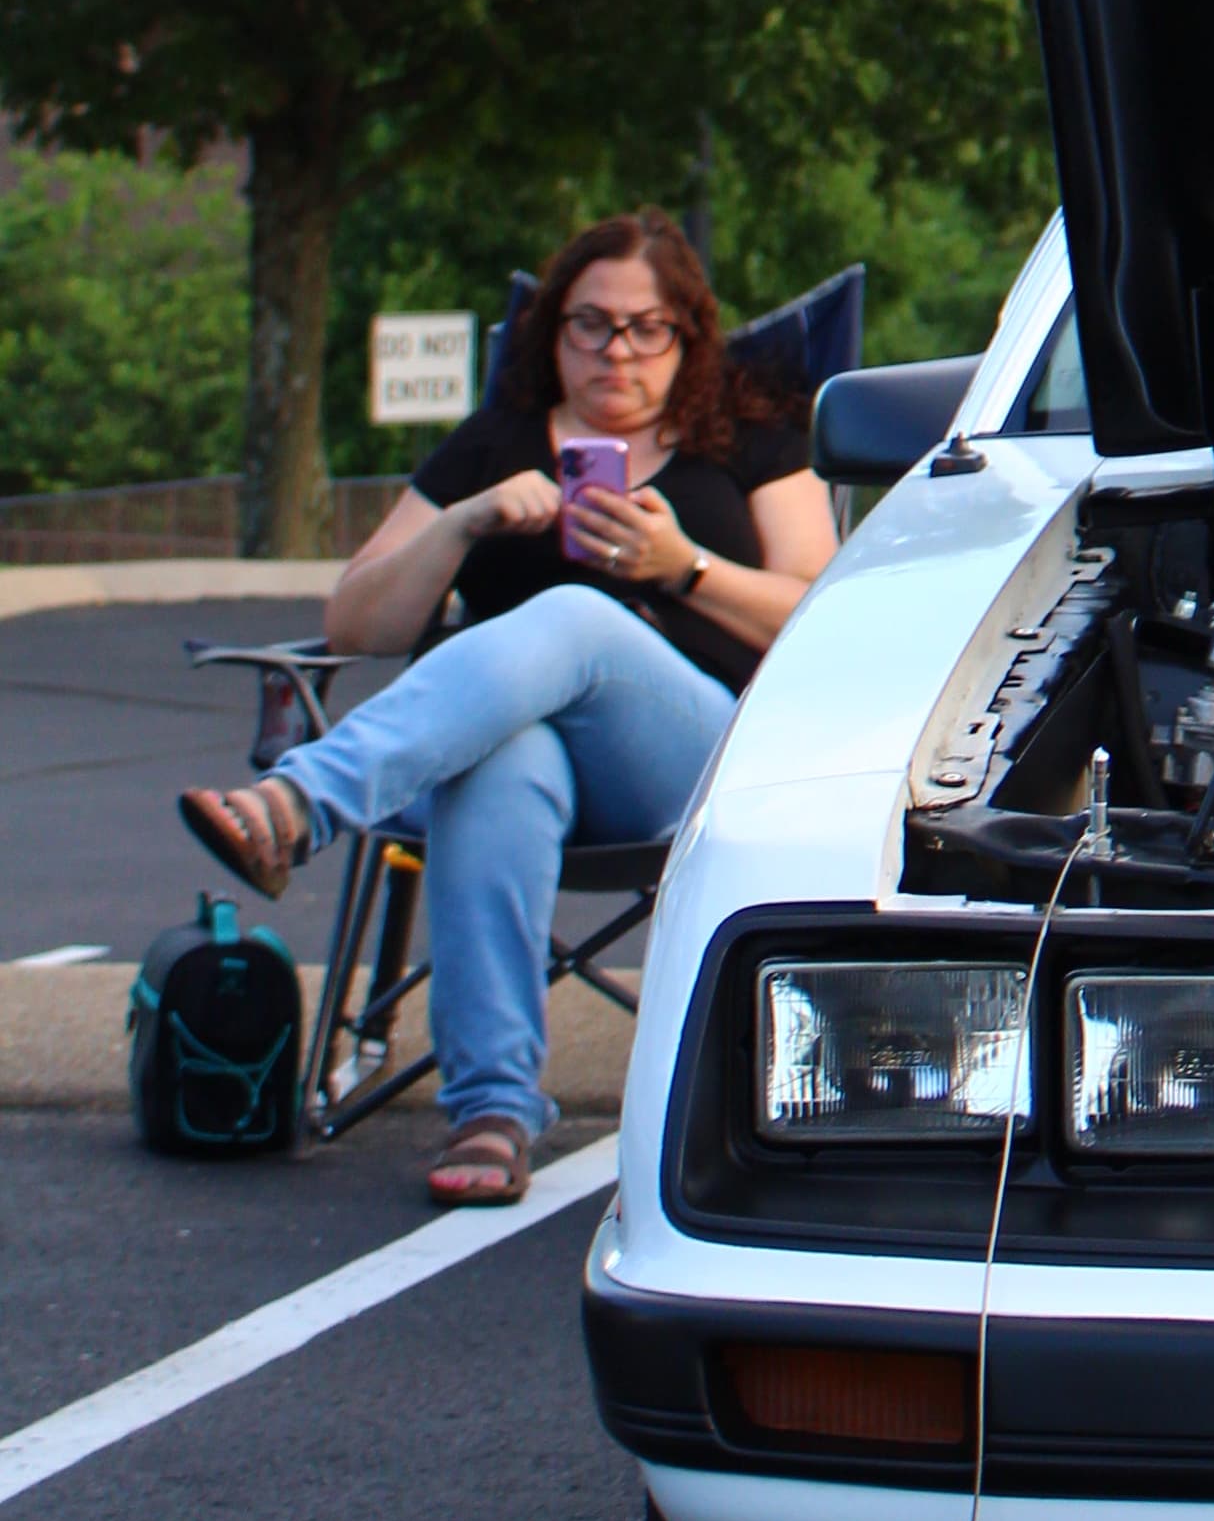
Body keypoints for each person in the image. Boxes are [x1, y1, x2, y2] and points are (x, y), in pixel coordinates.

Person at [177, 211, 836, 1206]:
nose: (617, 350)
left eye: (646, 327)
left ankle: (301, 804)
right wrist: (461, 525)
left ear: (688, 338)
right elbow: (357, 621)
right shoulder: (494, 445)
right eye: (590, 323)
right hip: (513, 774)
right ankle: (491, 1112)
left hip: (686, 764)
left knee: (573, 613)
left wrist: (684, 568)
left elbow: (824, 621)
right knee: (503, 760)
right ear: (552, 333)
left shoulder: (749, 439)